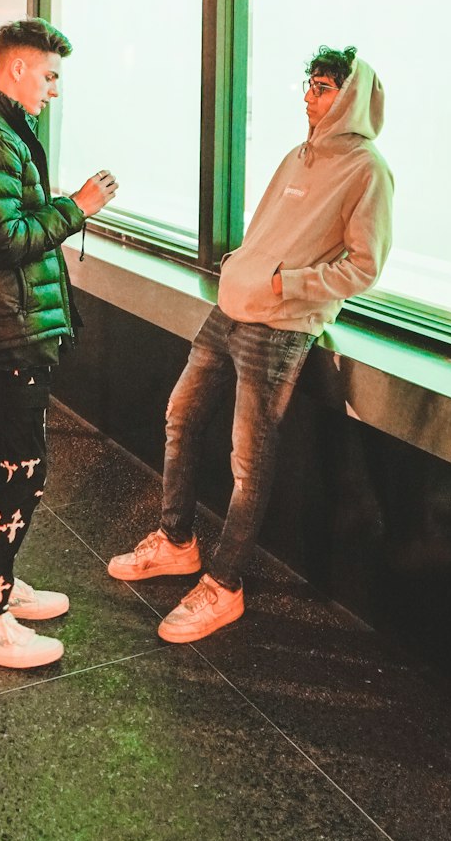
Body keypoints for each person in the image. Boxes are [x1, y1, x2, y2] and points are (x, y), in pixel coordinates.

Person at [108, 44, 392, 642]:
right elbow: (266, 230)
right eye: (309, 86)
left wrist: (287, 285)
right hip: (229, 312)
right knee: (180, 418)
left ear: (348, 96)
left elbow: (364, 267)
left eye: (321, 88)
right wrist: (245, 267)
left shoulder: (367, 169)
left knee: (248, 459)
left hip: (280, 329)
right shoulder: (298, 155)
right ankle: (177, 542)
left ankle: (225, 584)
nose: (309, 98)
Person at [0, 17, 117, 668]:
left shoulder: (1, 129)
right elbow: (2, 241)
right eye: (49, 75)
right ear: (17, 69)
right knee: (18, 468)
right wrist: (78, 207)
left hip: (10, 324)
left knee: (7, 462)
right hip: (5, 329)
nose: (54, 90)